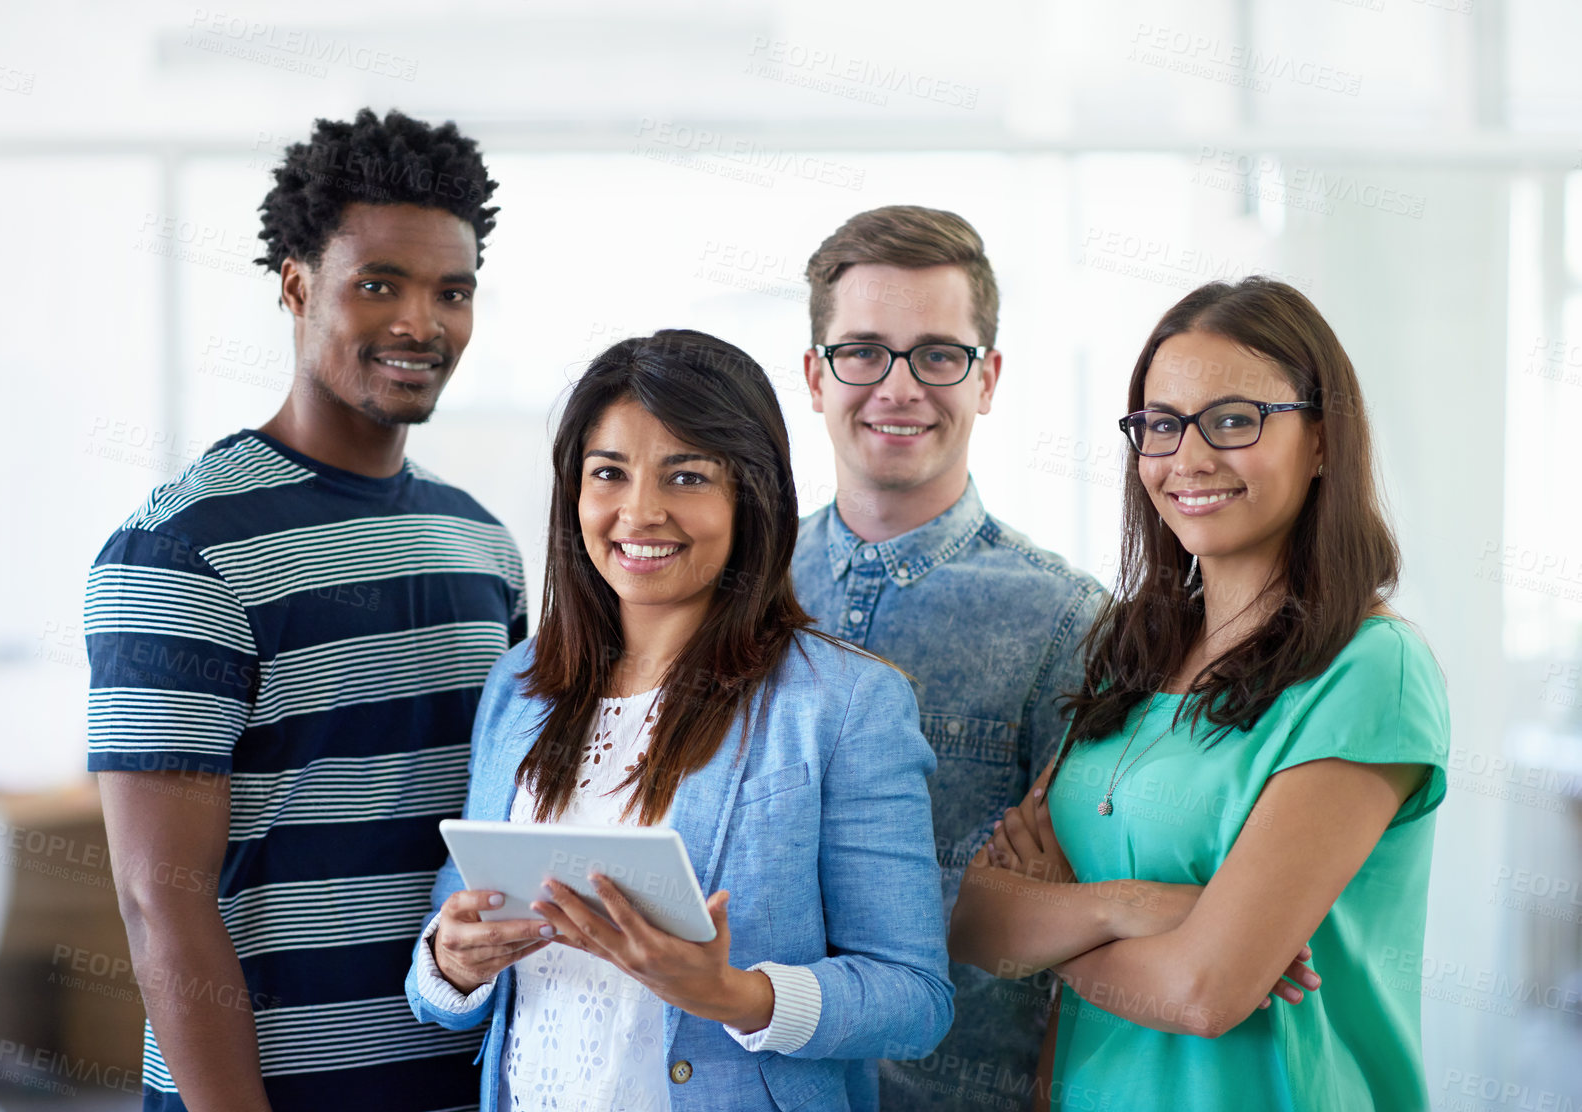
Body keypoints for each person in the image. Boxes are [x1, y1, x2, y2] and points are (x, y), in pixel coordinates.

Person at [85, 108, 523, 1111]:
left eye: (450, 292)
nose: (422, 321)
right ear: (295, 286)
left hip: (468, 1077)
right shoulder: (179, 548)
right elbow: (160, 902)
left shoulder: (485, 546)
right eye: (379, 284)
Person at [405, 329, 954, 1111]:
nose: (640, 512)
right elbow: (443, 952)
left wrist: (733, 994)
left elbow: (913, 1000)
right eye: (609, 474)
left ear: (750, 497)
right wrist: (451, 963)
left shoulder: (843, 704)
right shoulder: (520, 686)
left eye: (686, 476)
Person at [949, 277, 1449, 1110]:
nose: (1189, 457)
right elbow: (977, 923)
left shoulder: (1370, 670)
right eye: (1161, 425)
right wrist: (1139, 907)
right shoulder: (1130, 655)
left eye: (1233, 420)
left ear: (1322, 439)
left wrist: (1055, 926)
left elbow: (1203, 993)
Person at [789, 205, 1103, 1110]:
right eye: (863, 352)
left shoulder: (1067, 621)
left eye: (937, 353)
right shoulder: (734, 588)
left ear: (987, 377)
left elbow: (1078, 925)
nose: (898, 387)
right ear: (816, 375)